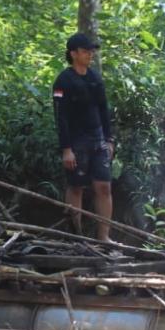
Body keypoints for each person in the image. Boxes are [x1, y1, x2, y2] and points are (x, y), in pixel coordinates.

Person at [52, 33, 115, 242]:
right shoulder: (64, 80)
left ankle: (104, 237)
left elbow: (104, 109)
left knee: (104, 187)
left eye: (92, 51)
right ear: (73, 53)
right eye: (86, 51)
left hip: (98, 139)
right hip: (76, 142)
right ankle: (76, 237)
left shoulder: (95, 78)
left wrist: (109, 139)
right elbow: (60, 117)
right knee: (76, 187)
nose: (90, 55)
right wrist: (66, 149)